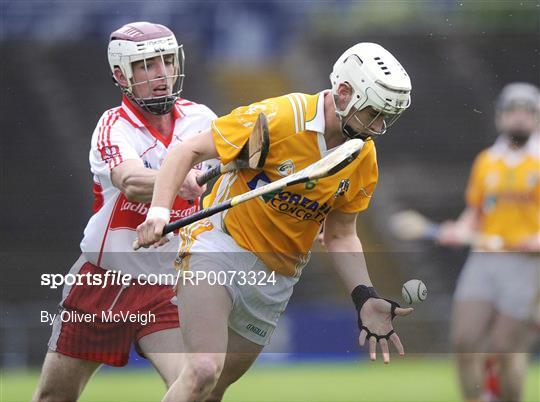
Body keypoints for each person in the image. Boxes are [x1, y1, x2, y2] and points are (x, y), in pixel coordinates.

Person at [137, 42, 414, 402]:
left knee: (211, 391)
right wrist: (158, 211)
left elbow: (341, 234)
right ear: (344, 92)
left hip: (275, 278)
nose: (377, 127)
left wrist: (364, 296)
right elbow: (185, 151)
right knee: (203, 369)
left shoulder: (362, 156)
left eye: (385, 118)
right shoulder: (280, 117)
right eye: (372, 113)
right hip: (219, 246)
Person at [32, 21, 216, 401]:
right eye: (147, 64)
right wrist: (179, 180)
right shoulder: (113, 126)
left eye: (167, 60)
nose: (162, 74)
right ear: (121, 74)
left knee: (198, 379)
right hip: (102, 283)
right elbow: (130, 179)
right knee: (55, 397)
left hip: (168, 287)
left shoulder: (203, 120)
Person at [437, 82, 540, 402]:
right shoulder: (486, 161)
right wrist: (458, 228)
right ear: (499, 118)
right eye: (513, 111)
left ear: (536, 119)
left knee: (507, 348)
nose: (519, 118)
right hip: (484, 259)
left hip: (527, 265)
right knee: (464, 341)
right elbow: (475, 212)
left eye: (527, 111)